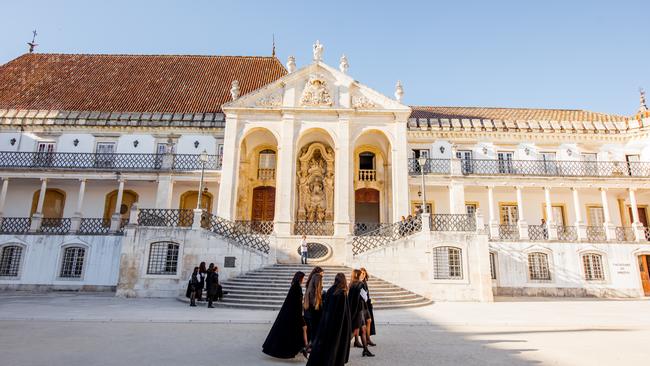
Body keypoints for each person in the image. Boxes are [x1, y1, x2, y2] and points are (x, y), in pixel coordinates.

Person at [306, 273, 351, 366]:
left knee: (326, 345)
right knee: (334, 346)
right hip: (337, 326)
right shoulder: (342, 293)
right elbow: (343, 313)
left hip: (327, 323)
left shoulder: (331, 290)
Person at [262, 271, 309, 359]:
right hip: (294, 315)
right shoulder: (297, 287)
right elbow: (296, 303)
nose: (304, 280)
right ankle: (304, 347)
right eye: (303, 278)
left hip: (291, 314)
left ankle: (304, 347)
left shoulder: (294, 286)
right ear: (300, 278)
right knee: (300, 329)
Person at [348, 269, 374, 357]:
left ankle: (365, 350)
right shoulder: (360, 284)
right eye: (360, 275)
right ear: (358, 275)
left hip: (354, 310)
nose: (362, 276)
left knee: (362, 329)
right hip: (359, 310)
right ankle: (342, 346)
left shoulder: (351, 284)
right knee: (355, 331)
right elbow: (365, 298)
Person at [304, 267, 324, 345]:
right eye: (322, 273)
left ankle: (309, 344)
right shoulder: (317, 276)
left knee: (310, 327)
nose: (323, 275)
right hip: (314, 305)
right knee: (315, 326)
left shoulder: (311, 278)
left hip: (308, 306)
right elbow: (317, 291)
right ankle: (313, 344)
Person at [359, 268, 376, 346]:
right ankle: (357, 340)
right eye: (361, 273)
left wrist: (369, 299)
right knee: (359, 325)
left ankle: (368, 339)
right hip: (361, 306)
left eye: (364, 273)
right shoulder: (359, 283)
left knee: (368, 321)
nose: (363, 274)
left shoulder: (364, 282)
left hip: (366, 304)